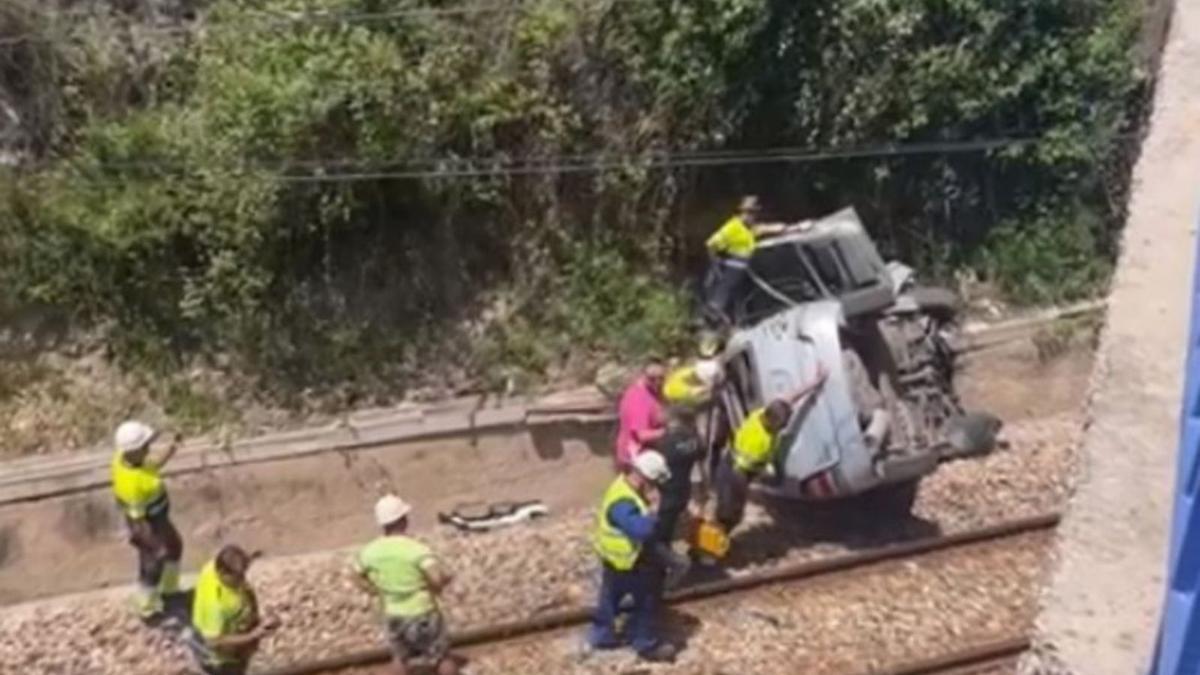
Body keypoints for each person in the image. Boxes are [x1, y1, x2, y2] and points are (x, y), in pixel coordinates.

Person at [715, 365, 829, 535]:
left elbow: (790, 398)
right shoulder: (761, 443)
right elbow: (746, 471)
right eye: (782, 425)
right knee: (730, 512)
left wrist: (815, 382)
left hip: (729, 462)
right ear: (773, 424)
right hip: (735, 474)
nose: (784, 426)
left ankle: (719, 535)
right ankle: (717, 541)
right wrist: (768, 477)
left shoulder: (761, 414)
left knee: (726, 510)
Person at [587, 451, 677, 663]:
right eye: (654, 483)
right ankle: (645, 643)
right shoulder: (624, 503)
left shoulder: (622, 487)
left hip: (614, 560)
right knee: (646, 601)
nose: (656, 488)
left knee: (609, 600)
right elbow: (641, 531)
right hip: (629, 562)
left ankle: (601, 636)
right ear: (644, 478)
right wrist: (654, 511)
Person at [353, 494, 458, 675]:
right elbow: (436, 577)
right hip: (422, 611)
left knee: (400, 658)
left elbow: (356, 574)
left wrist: (374, 590)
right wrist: (441, 584)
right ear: (403, 520)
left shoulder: (370, 551)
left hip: (393, 612)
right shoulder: (416, 549)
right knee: (441, 657)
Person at [109, 419, 184, 620]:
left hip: (159, 517)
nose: (149, 447)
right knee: (153, 563)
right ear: (135, 451)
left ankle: (170, 593)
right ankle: (147, 607)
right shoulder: (134, 484)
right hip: (150, 523)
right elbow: (137, 522)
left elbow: (153, 464)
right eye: (145, 445)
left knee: (175, 547)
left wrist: (172, 444)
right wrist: (151, 544)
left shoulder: (123, 458)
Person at [704, 195, 802, 325]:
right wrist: (716, 265)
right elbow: (711, 244)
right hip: (730, 269)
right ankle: (714, 322)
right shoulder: (732, 227)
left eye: (753, 213)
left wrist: (796, 228)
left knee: (741, 300)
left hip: (744, 271)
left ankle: (737, 323)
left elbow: (768, 228)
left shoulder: (750, 229)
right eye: (748, 213)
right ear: (741, 212)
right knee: (721, 299)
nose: (751, 216)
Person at [189, 545, 278, 675]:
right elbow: (213, 641)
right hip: (222, 660)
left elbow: (230, 558)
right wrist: (253, 635)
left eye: (244, 573)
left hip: (234, 634)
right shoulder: (216, 605)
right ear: (222, 573)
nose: (242, 579)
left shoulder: (211, 568)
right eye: (238, 577)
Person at [650, 406, 704, 590]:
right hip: (683, 492)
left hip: (666, 495)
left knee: (655, 539)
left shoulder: (665, 443)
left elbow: (654, 468)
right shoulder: (694, 440)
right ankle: (661, 573)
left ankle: (676, 564)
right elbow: (700, 454)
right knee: (666, 533)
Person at [614, 359, 667, 470]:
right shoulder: (639, 399)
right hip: (635, 459)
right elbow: (642, 435)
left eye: (661, 378)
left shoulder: (652, 392)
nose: (657, 382)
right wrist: (670, 431)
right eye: (652, 378)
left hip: (645, 455)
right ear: (643, 375)